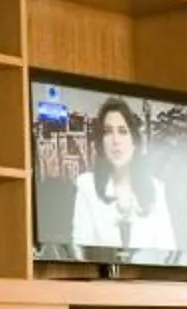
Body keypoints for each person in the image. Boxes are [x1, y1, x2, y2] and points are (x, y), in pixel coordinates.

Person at [68, 97, 177, 253]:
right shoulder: (87, 187)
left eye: (123, 131)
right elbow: (80, 249)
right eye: (108, 132)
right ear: (101, 142)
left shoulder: (156, 189)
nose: (116, 140)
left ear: (134, 141)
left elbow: (168, 252)